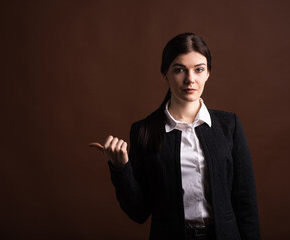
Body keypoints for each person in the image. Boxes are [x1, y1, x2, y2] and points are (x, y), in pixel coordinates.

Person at [89, 33, 260, 240]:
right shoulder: (144, 131)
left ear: (208, 73)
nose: (190, 79)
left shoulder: (228, 125)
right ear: (165, 73)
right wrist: (120, 168)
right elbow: (138, 212)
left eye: (199, 69)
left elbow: (246, 202)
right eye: (179, 70)